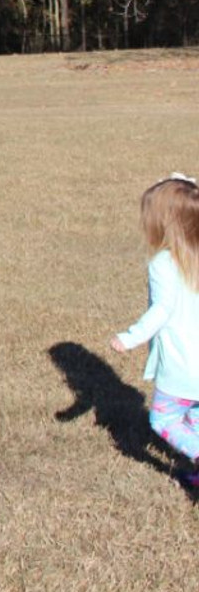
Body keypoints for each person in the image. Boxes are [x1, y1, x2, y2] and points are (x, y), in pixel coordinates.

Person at [110, 173, 199, 486]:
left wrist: (129, 338)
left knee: (164, 419)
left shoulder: (163, 263)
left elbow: (161, 310)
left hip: (181, 368)